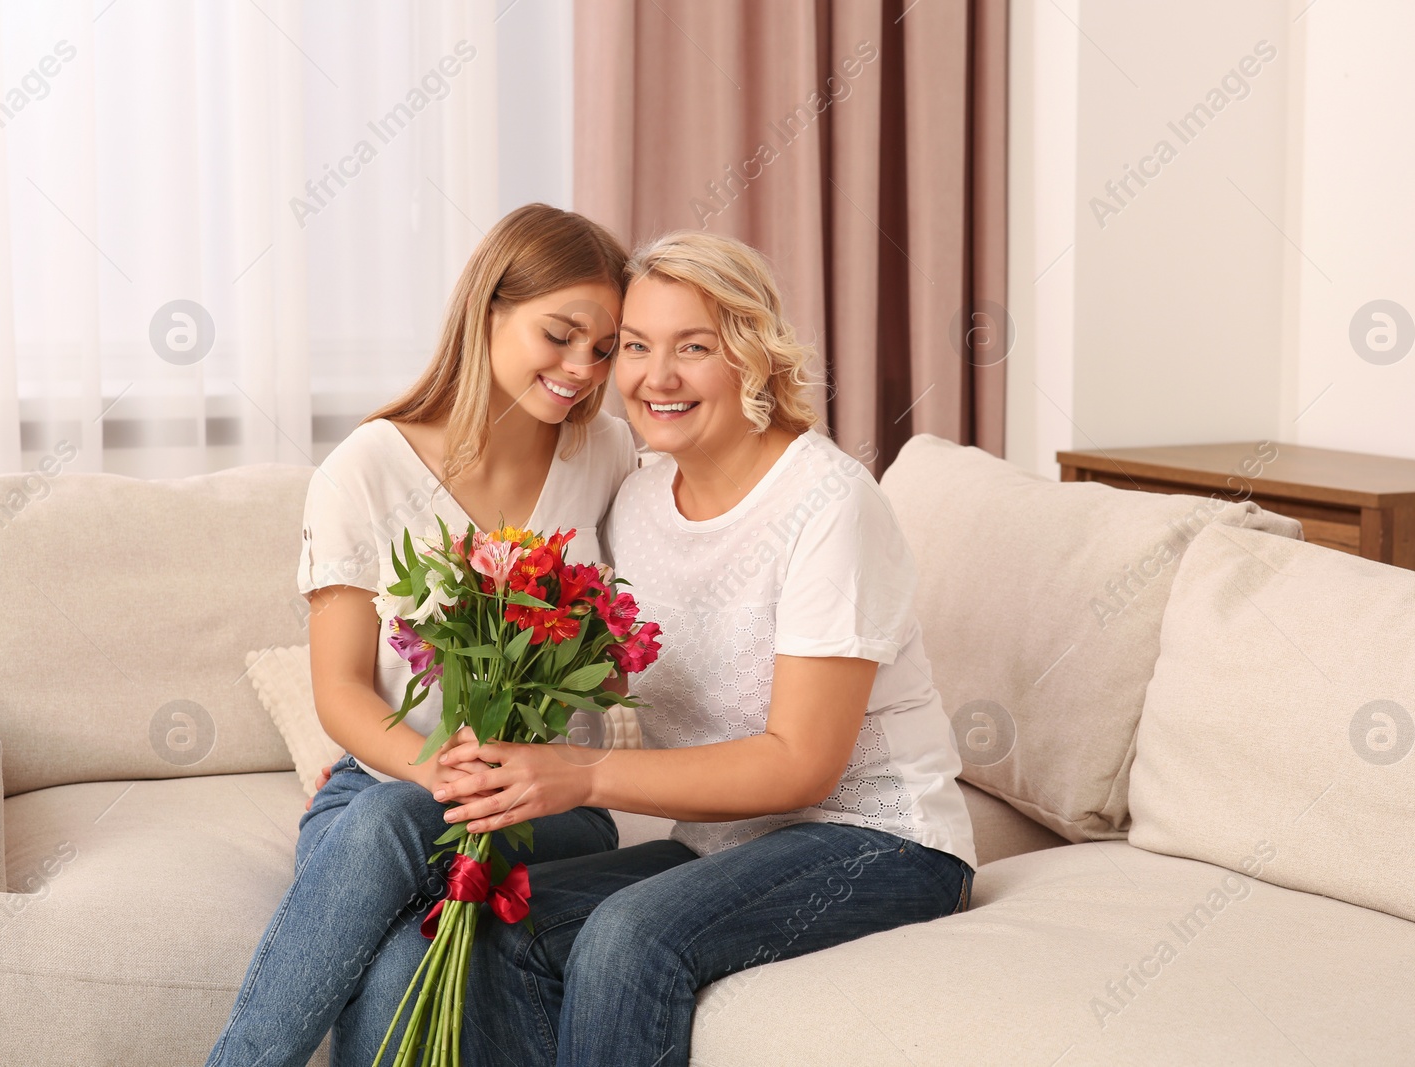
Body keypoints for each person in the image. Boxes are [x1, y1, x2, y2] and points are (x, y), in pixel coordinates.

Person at [365, 230, 977, 1067]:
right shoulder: (638, 500)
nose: (658, 377)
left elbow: (804, 766)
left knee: (629, 936)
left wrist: (582, 776)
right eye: (636, 348)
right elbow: (579, 662)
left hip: (880, 840)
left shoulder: (828, 501)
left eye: (694, 348)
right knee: (502, 920)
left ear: (753, 358)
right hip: (726, 842)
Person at [205, 203, 638, 1067]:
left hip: (543, 809)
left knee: (393, 831)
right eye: (560, 334)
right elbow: (341, 690)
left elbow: (637, 637)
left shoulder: (611, 457)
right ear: (488, 311)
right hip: (382, 795)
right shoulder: (368, 468)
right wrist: (429, 766)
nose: (582, 368)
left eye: (604, 348)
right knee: (401, 925)